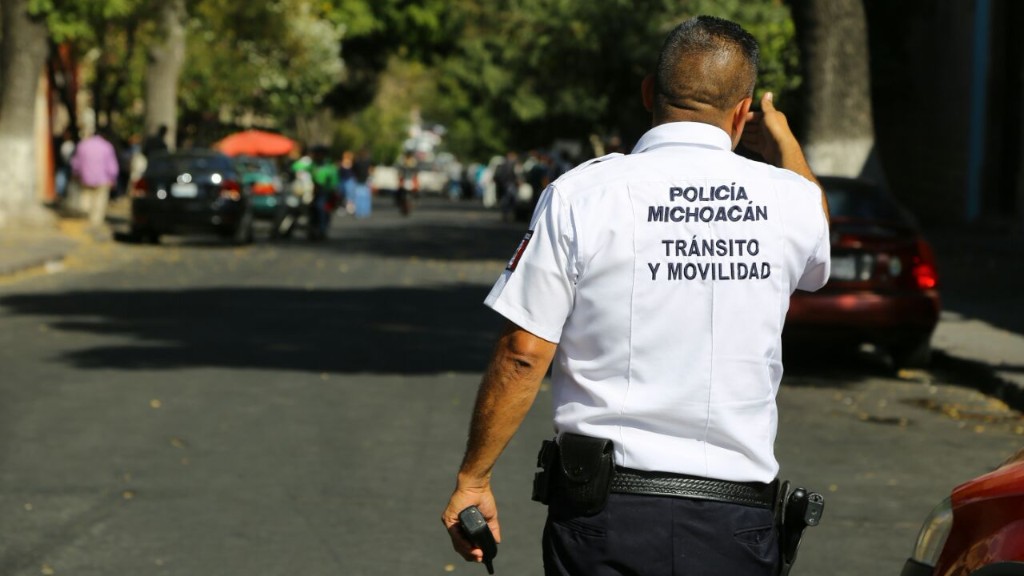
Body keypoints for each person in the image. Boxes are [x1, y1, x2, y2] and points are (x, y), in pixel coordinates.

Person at [441, 15, 831, 576]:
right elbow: (817, 230)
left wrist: (473, 478)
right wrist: (785, 140)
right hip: (736, 522)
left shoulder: (582, 193)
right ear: (743, 113)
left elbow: (524, 351)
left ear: (649, 92)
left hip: (606, 516)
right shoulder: (789, 199)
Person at [70, 129, 120, 230]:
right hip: (103, 179)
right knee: (99, 202)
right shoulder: (107, 146)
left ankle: (86, 218)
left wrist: (76, 173)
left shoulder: (83, 145)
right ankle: (95, 223)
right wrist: (113, 178)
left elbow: (76, 162)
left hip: (85, 178)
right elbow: (112, 166)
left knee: (86, 199)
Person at [307, 145, 339, 240]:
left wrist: (328, 187)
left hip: (324, 192)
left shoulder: (329, 167)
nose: (316, 156)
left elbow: (333, 181)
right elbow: (299, 168)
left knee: (320, 207)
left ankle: (321, 229)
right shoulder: (312, 165)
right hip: (311, 191)